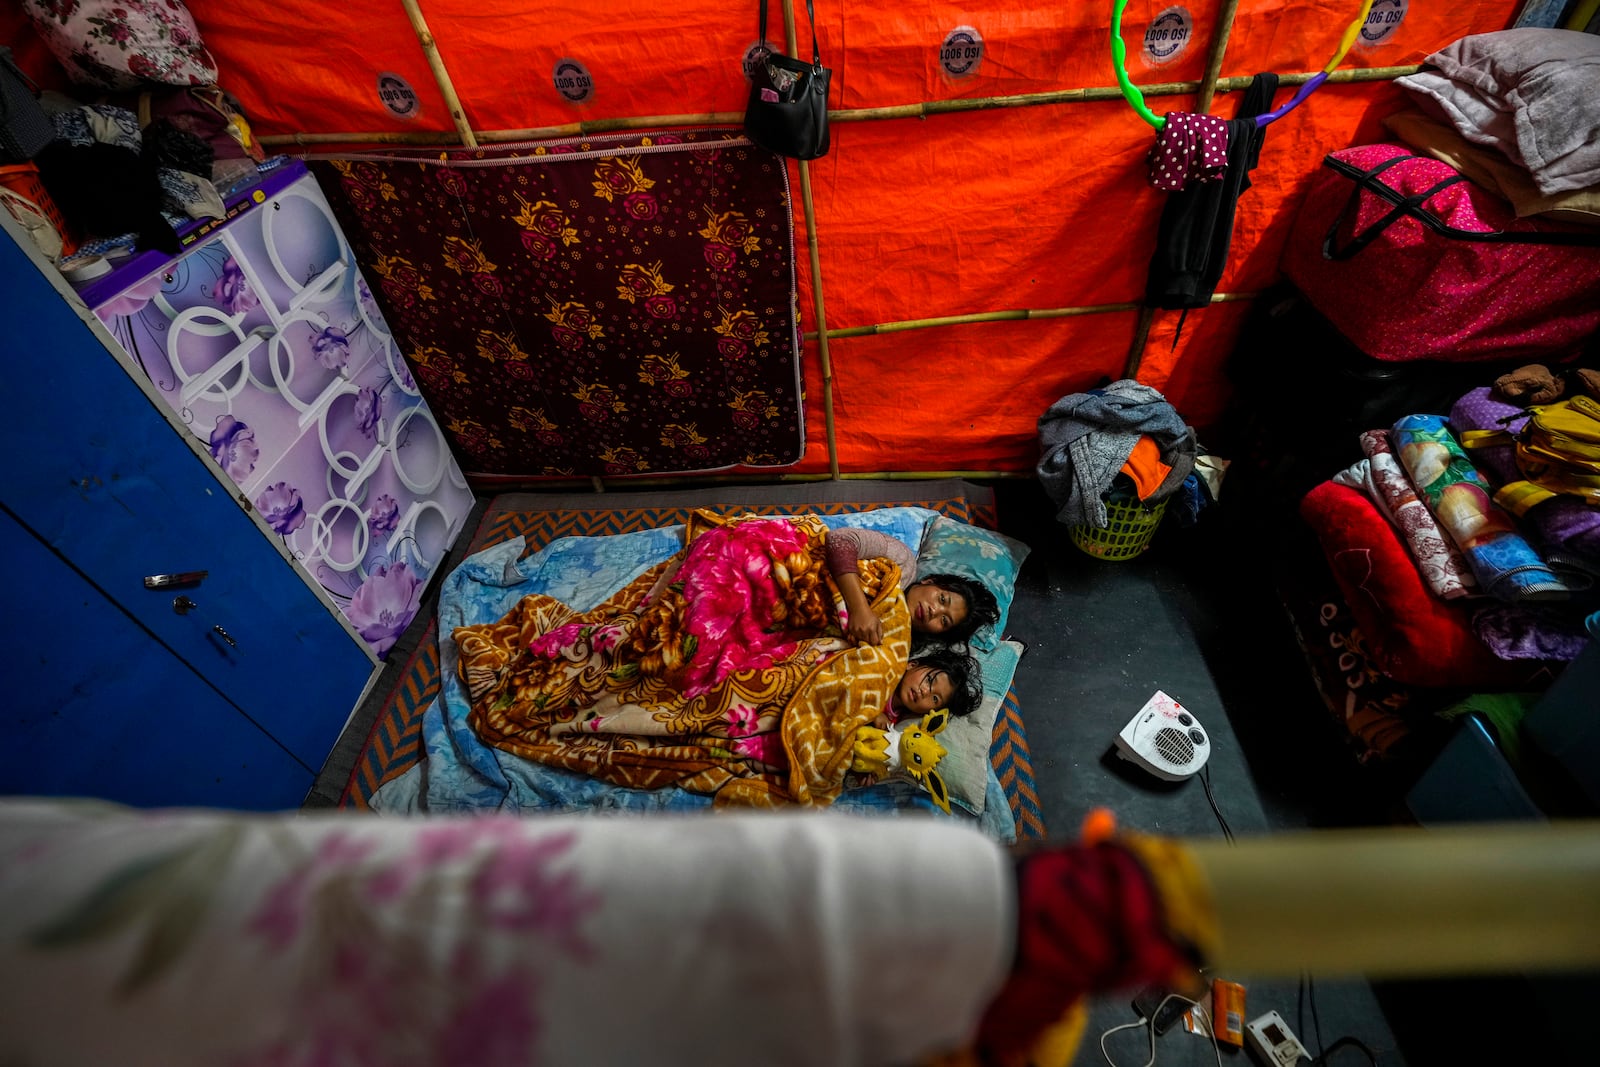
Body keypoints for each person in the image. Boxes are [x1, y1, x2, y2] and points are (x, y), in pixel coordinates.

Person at [825, 527, 1001, 647]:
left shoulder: (896, 643)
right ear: (930, 581)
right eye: (942, 599)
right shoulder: (902, 563)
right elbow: (839, 539)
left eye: (944, 620)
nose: (934, 610)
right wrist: (860, 609)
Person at [874, 645, 983, 729]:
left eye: (935, 698)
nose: (925, 691)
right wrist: (874, 713)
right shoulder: (883, 675)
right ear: (912, 665)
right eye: (929, 680)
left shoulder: (894, 723)